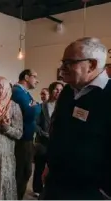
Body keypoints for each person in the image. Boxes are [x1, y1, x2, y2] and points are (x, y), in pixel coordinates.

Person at [41, 37, 111, 199]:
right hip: (56, 183)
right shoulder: (67, 92)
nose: (61, 68)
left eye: (68, 63)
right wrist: (49, 165)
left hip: (90, 192)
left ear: (92, 65)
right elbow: (57, 129)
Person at [11, 69, 41, 200]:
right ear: (27, 77)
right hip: (22, 140)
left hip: (26, 138)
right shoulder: (18, 92)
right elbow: (29, 115)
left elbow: (31, 110)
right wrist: (37, 106)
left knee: (25, 171)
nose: (37, 80)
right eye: (35, 77)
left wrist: (34, 106)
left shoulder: (24, 93)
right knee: (22, 172)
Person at [32, 81, 63, 197]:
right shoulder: (41, 106)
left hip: (56, 143)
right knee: (39, 167)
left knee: (53, 168)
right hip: (42, 142)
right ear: (51, 91)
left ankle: (50, 190)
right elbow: (35, 124)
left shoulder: (63, 107)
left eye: (60, 90)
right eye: (56, 90)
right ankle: (37, 189)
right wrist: (43, 133)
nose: (58, 92)